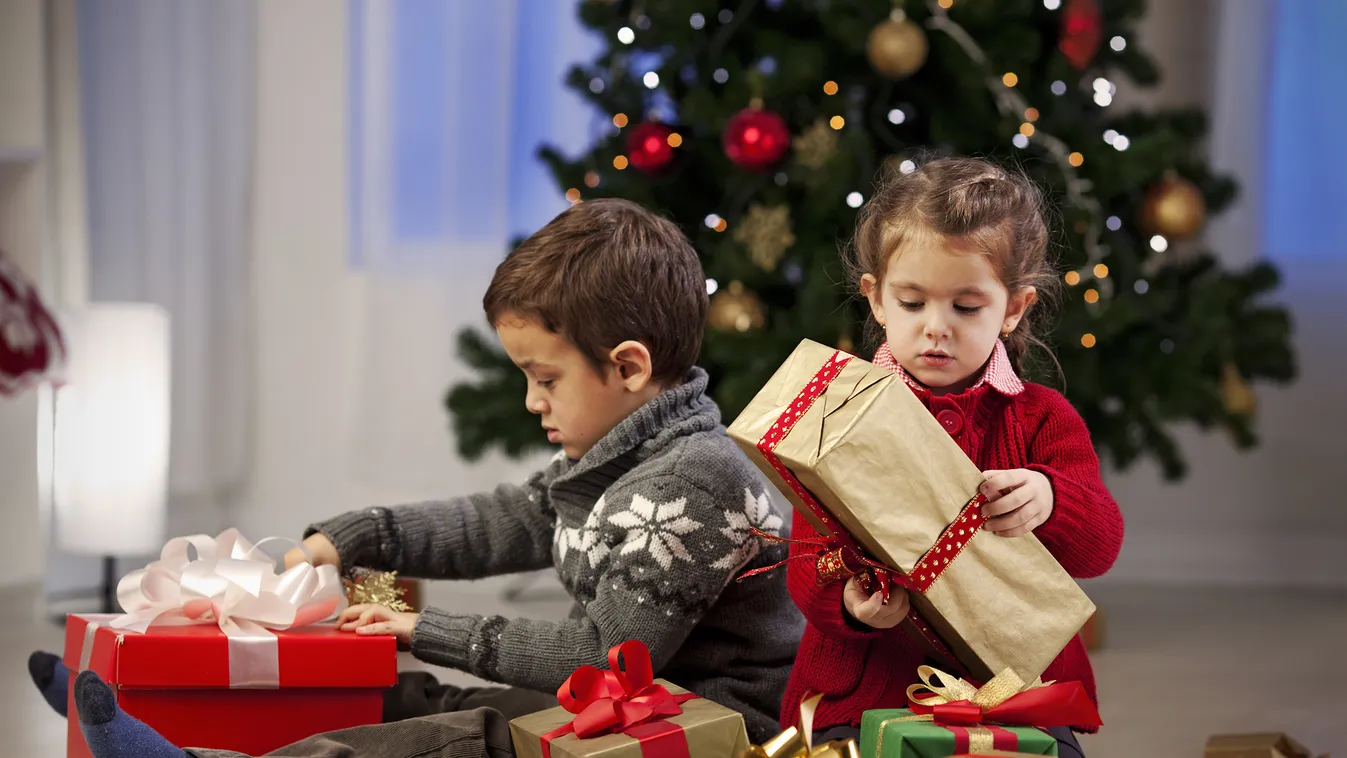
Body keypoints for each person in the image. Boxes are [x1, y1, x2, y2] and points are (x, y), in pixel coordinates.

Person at [35, 198, 804, 758]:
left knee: (466, 736)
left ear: (629, 366)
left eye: (544, 378)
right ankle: (154, 716)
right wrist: (355, 536)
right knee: (407, 697)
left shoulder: (693, 482)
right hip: (623, 708)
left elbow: (598, 655)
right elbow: (494, 524)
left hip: (700, 727)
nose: (532, 401)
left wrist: (421, 628)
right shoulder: (610, 460)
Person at [784, 157, 1125, 757]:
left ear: (1014, 308)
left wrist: (1049, 498)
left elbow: (1101, 543)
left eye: (966, 308)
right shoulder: (833, 416)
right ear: (876, 300)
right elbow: (807, 562)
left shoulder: (1040, 417)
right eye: (912, 304)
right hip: (864, 691)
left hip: (1013, 691)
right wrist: (849, 604)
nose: (935, 328)